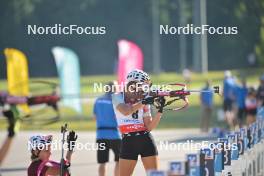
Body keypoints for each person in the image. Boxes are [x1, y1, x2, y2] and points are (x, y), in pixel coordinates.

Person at [112, 69, 165, 176]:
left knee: (154, 175)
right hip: (128, 141)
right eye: (143, 85)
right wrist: (144, 101)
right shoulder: (117, 96)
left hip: (146, 139)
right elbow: (126, 111)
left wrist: (160, 110)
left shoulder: (144, 98)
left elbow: (149, 127)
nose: (144, 88)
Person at [93, 82, 121, 176]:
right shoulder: (116, 101)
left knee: (102, 162)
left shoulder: (98, 100)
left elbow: (94, 117)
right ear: (115, 89)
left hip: (101, 135)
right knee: (119, 160)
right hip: (115, 135)